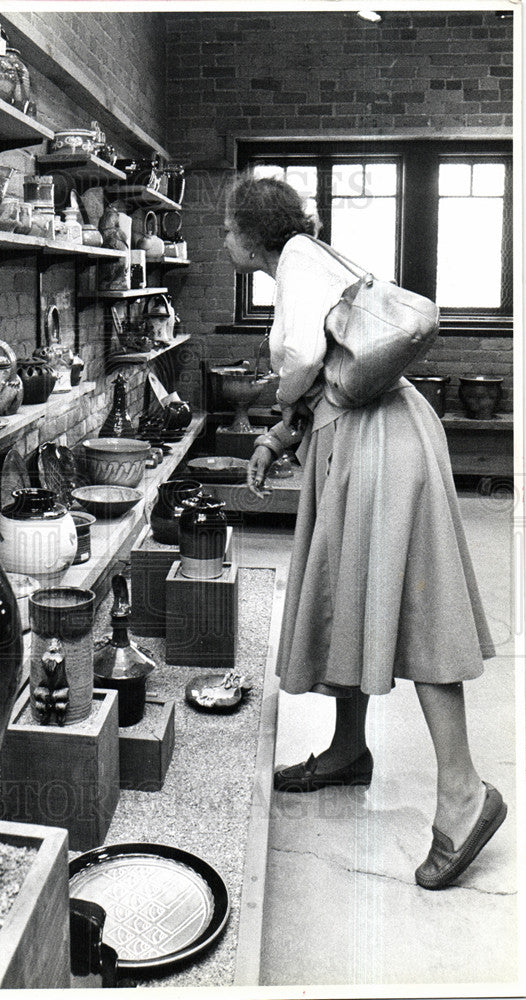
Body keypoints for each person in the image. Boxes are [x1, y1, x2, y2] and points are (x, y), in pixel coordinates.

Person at [223, 173, 506, 890]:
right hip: (366, 434)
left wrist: (276, 397)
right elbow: (332, 373)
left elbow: (308, 364)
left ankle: (465, 796)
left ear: (252, 235)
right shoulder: (313, 258)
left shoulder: (292, 264)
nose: (222, 239)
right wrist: (279, 437)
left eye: (226, 229)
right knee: (350, 592)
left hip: (379, 445)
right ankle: (350, 749)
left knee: (418, 606)